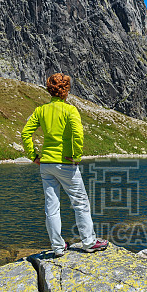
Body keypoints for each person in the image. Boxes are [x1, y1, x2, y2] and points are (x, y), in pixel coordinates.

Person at [21, 73, 108, 257]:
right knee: (80, 203)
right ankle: (89, 242)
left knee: (51, 206)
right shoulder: (70, 110)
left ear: (49, 89)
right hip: (66, 164)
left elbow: (25, 133)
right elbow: (78, 135)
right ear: (66, 90)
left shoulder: (41, 110)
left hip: (46, 164)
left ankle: (58, 247)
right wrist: (76, 156)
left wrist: (33, 156)